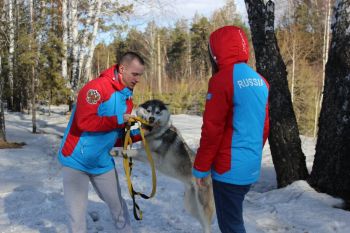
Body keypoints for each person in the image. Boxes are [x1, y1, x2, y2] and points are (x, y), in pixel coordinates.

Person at [192, 26, 270, 233]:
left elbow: (212, 131)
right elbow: (264, 128)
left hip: (228, 169)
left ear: (215, 52)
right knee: (233, 219)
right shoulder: (260, 81)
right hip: (250, 166)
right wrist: (251, 155)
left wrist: (200, 168)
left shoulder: (221, 80)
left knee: (231, 225)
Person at [58, 52, 145, 233]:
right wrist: (119, 119)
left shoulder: (126, 98)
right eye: (134, 74)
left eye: (140, 75)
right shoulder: (96, 88)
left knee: (119, 208)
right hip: (76, 161)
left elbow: (115, 136)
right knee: (77, 218)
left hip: (102, 163)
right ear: (122, 69)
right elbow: (84, 122)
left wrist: (141, 134)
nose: (137, 79)